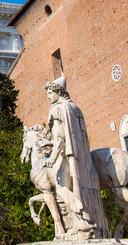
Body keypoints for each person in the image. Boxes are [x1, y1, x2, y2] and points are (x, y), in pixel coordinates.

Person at [44, 76, 109, 239]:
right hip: (81, 158)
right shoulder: (75, 108)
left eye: (50, 93)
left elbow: (59, 137)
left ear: (58, 92)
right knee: (79, 186)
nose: (48, 97)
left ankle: (80, 221)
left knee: (62, 188)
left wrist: (52, 157)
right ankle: (87, 221)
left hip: (65, 156)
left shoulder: (58, 109)